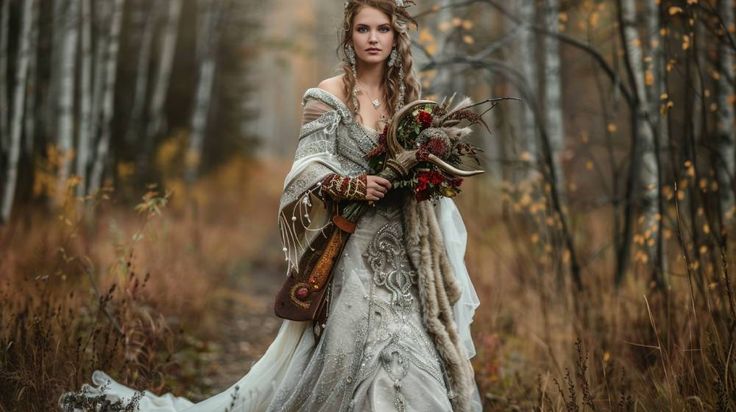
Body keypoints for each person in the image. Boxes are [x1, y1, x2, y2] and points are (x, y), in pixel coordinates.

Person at [60, 1, 481, 411]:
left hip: (406, 250)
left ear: (395, 37)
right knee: (359, 351)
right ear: (348, 35)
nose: (373, 38)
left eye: (383, 29)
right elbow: (305, 169)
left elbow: (424, 167)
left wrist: (427, 177)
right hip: (353, 249)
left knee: (415, 349)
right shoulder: (328, 94)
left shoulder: (409, 97)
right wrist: (353, 185)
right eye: (363, 29)